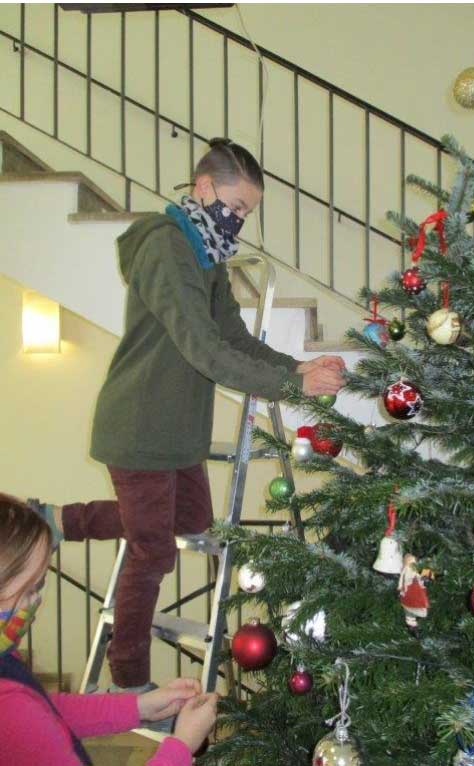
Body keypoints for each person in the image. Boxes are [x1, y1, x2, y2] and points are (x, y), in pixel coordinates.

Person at [33, 138, 346, 697]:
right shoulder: (165, 245)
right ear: (204, 188)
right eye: (237, 206)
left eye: (248, 211)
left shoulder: (207, 255)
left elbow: (234, 339)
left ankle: (61, 520)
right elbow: (204, 350)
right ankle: (129, 680)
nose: (240, 220)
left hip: (177, 432)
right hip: (140, 426)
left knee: (192, 518)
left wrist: (297, 367)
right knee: (152, 550)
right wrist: (293, 384)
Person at [0, 494, 218, 766]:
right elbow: (25, 717)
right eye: (30, 589)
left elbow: (44, 710)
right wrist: (182, 746)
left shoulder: (5, 659)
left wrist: (140, 707)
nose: (35, 601)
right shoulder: (9, 704)